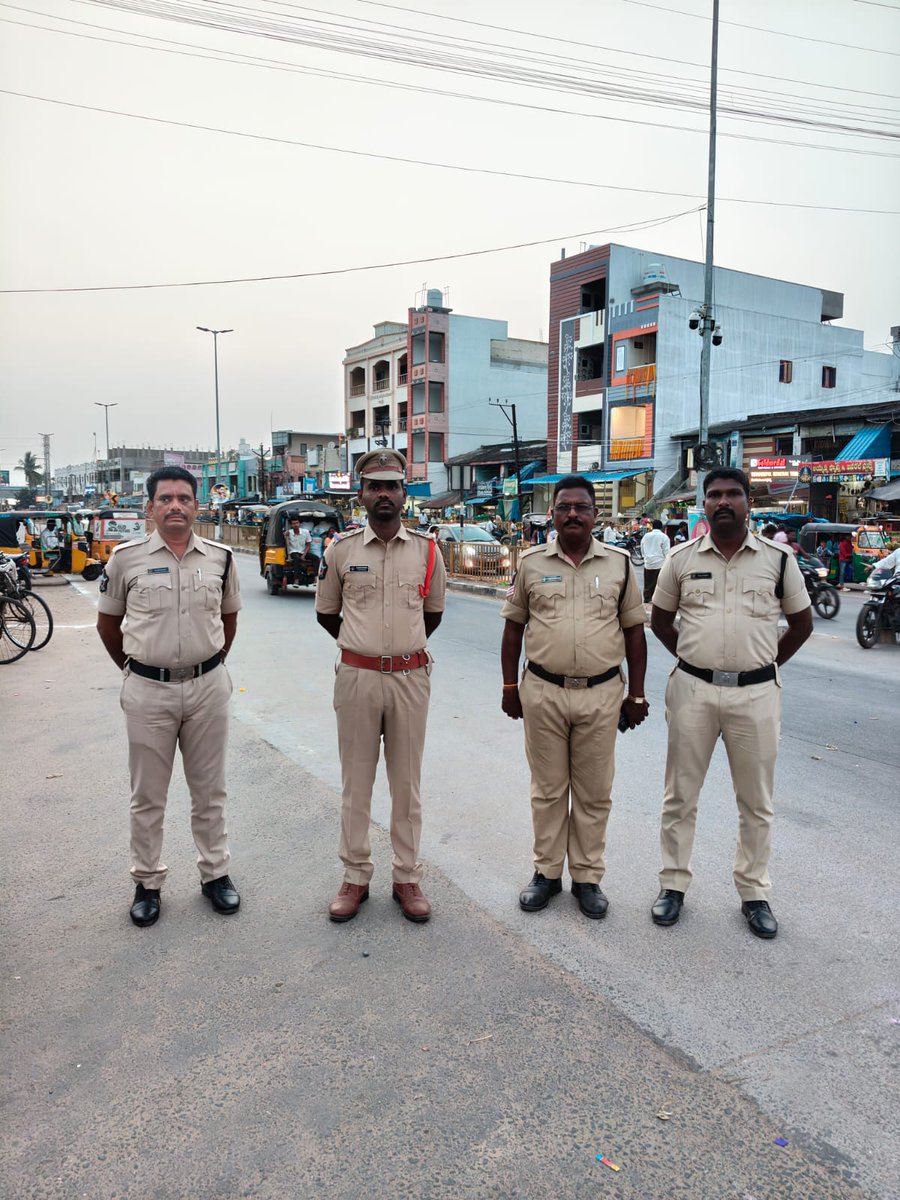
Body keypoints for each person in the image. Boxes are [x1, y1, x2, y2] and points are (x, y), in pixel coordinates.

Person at [648, 468, 813, 940]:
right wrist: (694, 661)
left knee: (756, 801)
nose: (724, 502)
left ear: (748, 503)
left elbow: (800, 625)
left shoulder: (779, 560)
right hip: (693, 691)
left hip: (757, 696)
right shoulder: (680, 559)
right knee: (680, 794)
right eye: (715, 495)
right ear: (703, 504)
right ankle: (673, 885)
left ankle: (754, 892)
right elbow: (660, 621)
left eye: (733, 495)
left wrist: (763, 666)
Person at [96, 466, 242, 928]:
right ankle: (147, 883)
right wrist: (139, 669)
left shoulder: (221, 558)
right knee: (147, 796)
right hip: (148, 691)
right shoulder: (125, 558)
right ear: (151, 507)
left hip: (207, 689)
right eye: (166, 499)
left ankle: (215, 874)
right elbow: (108, 625)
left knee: (210, 790)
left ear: (197, 505)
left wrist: (206, 664)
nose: (175, 505)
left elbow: (229, 619)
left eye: (184, 498)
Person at [500, 475, 648, 920]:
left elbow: (635, 633)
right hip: (543, 691)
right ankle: (546, 874)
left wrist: (637, 694)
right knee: (547, 790)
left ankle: (587, 877)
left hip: (602, 695)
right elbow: (513, 630)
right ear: (553, 514)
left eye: (581, 507)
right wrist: (510, 687)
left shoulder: (620, 565)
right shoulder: (529, 564)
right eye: (563, 507)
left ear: (594, 515)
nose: (571, 515)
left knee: (594, 792)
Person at [315, 449, 447, 924]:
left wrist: (398, 653)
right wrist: (366, 651)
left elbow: (432, 613)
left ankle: (406, 876)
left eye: (392, 486)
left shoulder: (428, 551)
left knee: (406, 785)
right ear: (362, 493)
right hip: (357, 679)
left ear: (404, 493)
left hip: (410, 679)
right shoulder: (341, 551)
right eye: (375, 486)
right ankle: (355, 876)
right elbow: (326, 613)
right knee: (356, 782)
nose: (384, 494)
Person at [640, 518, 670, 604]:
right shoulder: (664, 537)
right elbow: (667, 551)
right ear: (661, 527)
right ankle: (658, 599)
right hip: (659, 563)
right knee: (659, 583)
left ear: (653, 526)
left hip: (648, 563)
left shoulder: (646, 536)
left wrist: (645, 557)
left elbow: (642, 548)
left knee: (648, 582)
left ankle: (647, 598)